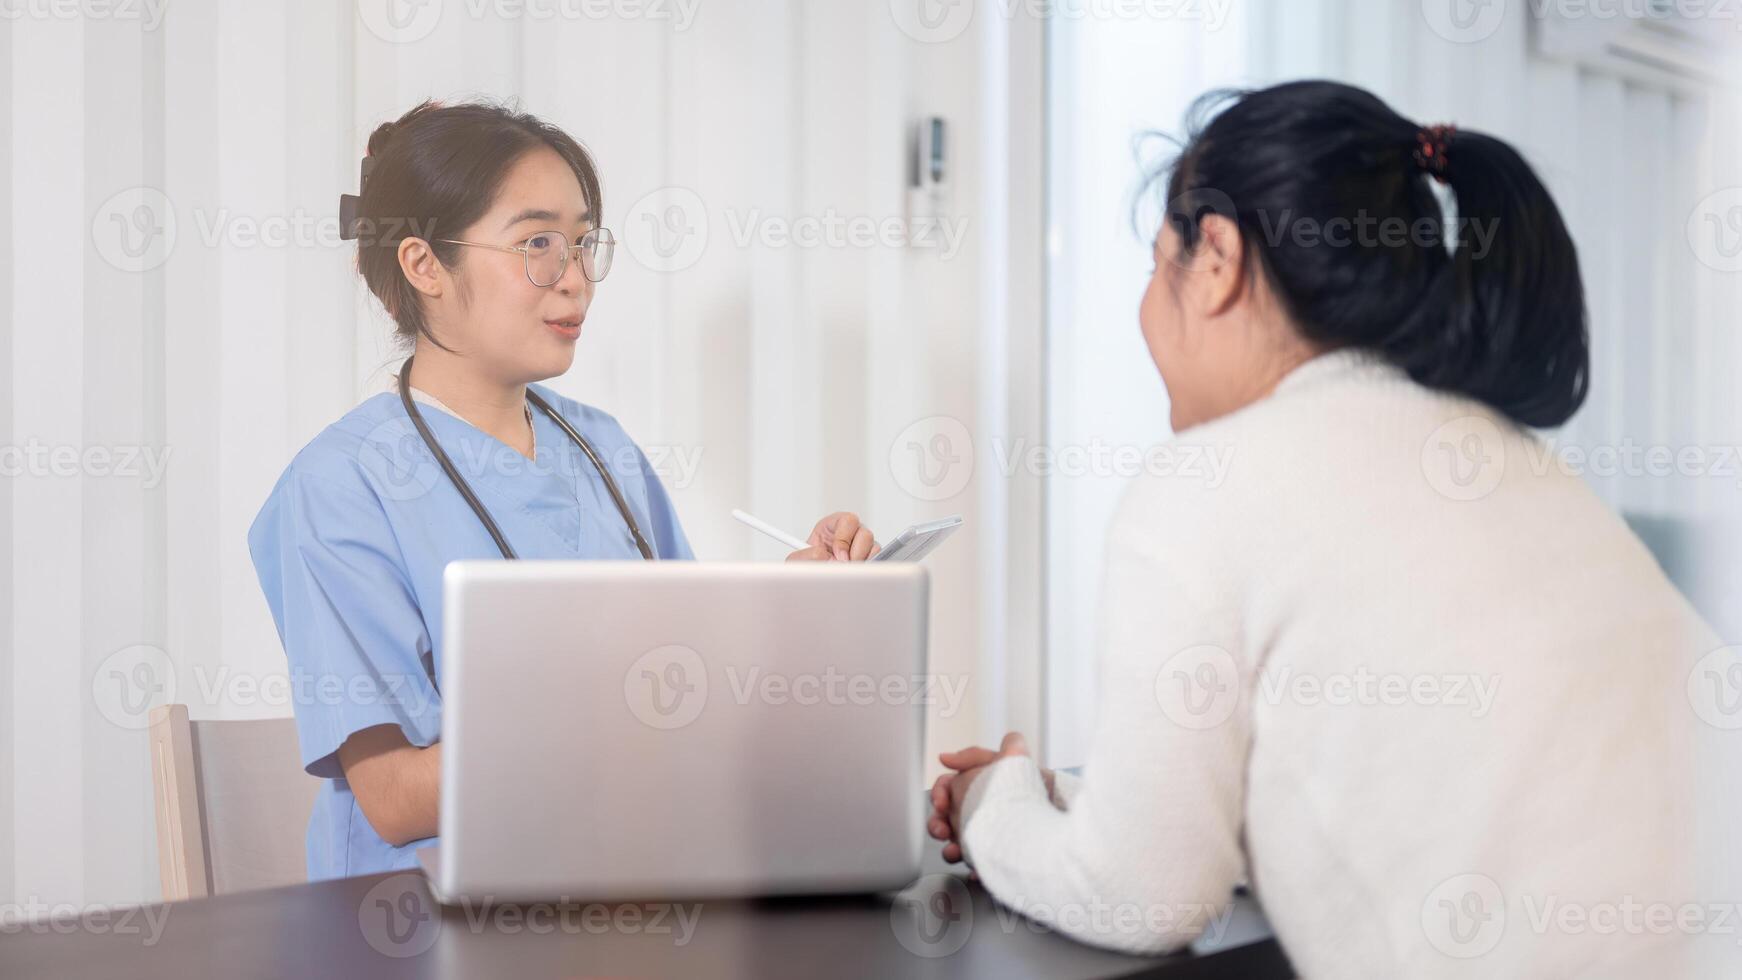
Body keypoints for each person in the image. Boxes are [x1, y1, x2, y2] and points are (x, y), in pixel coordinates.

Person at [928, 81, 1711, 978]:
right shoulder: (1512, 464)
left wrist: (994, 804)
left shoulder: (1208, 485)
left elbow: (1142, 895)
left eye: (1156, 264)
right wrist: (1068, 801)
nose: (1146, 311)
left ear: (1215, 257)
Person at [249, 100, 878, 880]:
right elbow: (398, 797)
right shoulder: (338, 487)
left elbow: (692, 681)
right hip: (413, 924)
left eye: (582, 244)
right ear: (423, 265)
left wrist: (797, 605)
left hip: (624, 889)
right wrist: (617, 713)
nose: (575, 281)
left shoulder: (602, 448)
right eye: (537, 245)